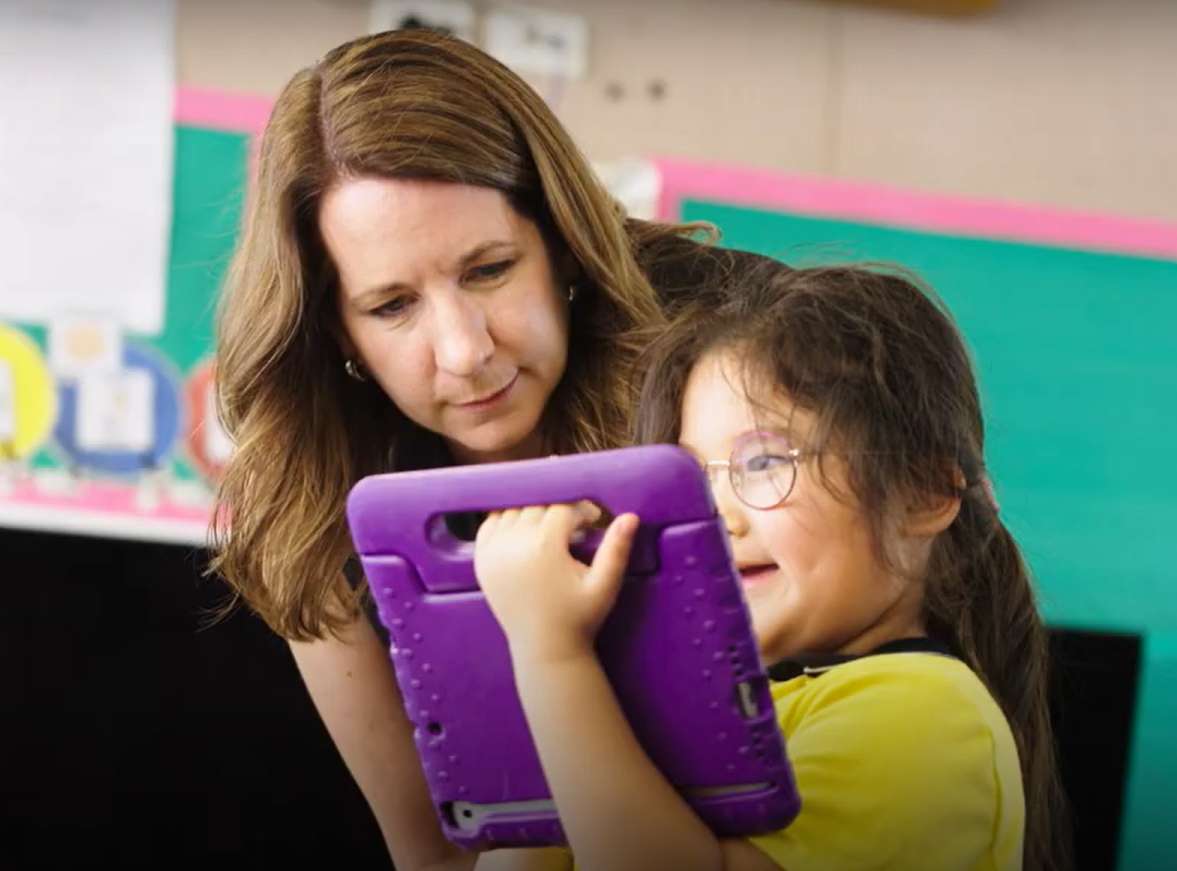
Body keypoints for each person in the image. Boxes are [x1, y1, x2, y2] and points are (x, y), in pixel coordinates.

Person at [210, 28, 776, 871]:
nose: (465, 349)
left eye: (489, 270)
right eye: (393, 305)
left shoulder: (730, 350)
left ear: (561, 242)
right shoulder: (304, 500)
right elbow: (435, 854)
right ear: (337, 333)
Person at [474, 265, 1070, 870]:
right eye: (688, 477)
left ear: (923, 495)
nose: (717, 517)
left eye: (762, 463)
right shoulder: (707, 721)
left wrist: (550, 652)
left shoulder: (929, 713)